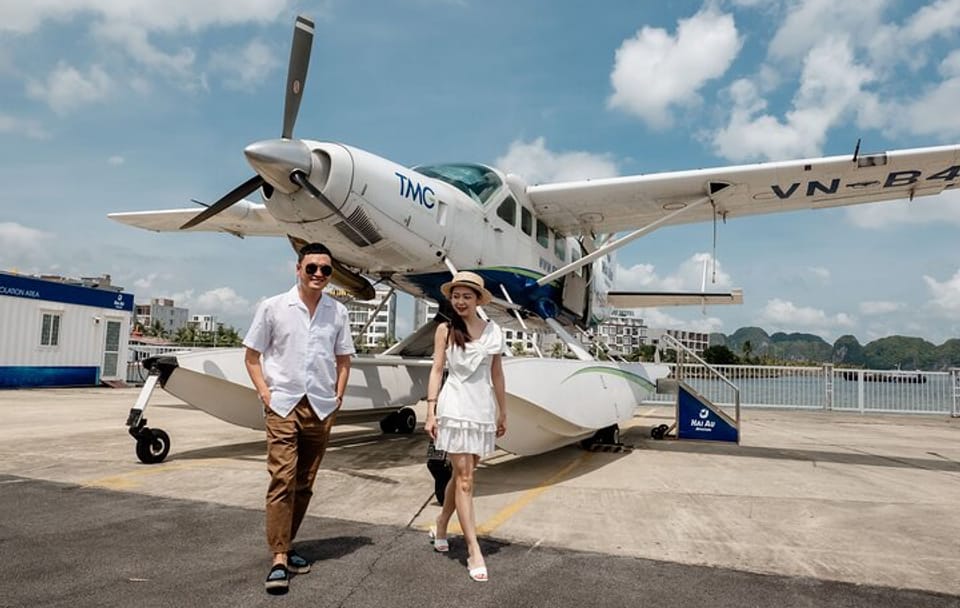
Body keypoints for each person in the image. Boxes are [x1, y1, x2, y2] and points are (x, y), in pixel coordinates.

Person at [243, 242, 354, 594]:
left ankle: (286, 544)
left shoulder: (338, 312)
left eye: (325, 269)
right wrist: (266, 393)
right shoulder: (273, 307)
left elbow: (344, 359)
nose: (319, 274)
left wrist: (337, 396)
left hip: (320, 406)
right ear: (298, 269)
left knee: (304, 482)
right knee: (282, 478)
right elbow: (251, 356)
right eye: (312, 268)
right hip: (283, 404)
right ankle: (279, 558)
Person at [424, 271, 507, 582]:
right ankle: (474, 549)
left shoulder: (493, 332)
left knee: (464, 475)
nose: (460, 301)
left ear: (478, 300)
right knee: (466, 480)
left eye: (466, 296)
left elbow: (497, 373)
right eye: (456, 296)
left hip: (481, 408)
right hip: (455, 406)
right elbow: (436, 370)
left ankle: (441, 523)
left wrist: (503, 411)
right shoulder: (445, 330)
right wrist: (431, 411)